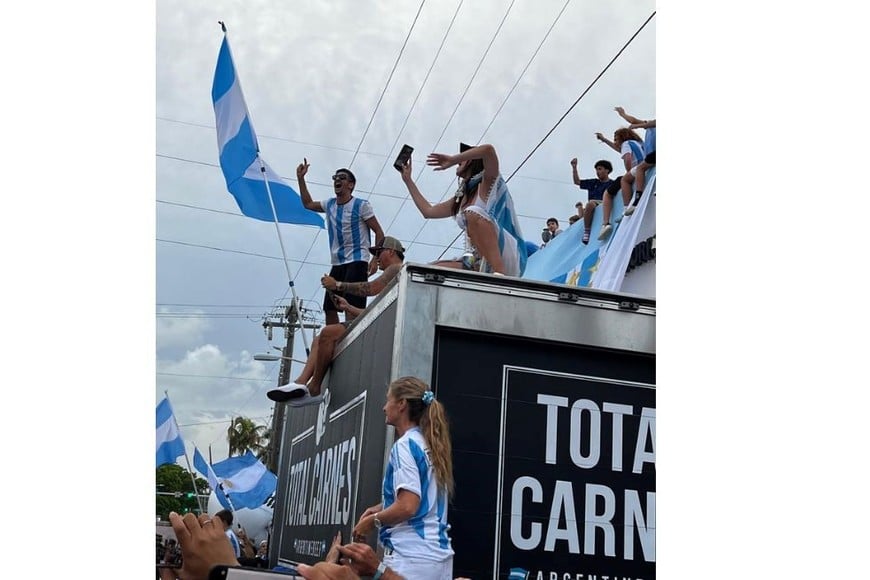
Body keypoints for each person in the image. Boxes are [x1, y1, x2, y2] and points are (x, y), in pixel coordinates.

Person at [267, 237, 406, 407]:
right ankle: (300, 382)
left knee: (327, 333)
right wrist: (348, 307)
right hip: (381, 320)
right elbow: (373, 311)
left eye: (378, 252)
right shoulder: (393, 275)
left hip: (386, 326)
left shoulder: (396, 269)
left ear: (391, 252)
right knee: (319, 339)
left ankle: (314, 388)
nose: (376, 257)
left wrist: (338, 284)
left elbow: (371, 288)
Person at [352, 377, 455, 580]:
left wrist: (372, 522)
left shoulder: (405, 445)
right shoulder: (430, 444)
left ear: (401, 405)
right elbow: (422, 497)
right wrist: (383, 507)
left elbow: (408, 506)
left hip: (410, 557)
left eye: (388, 400)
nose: (384, 407)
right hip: (438, 558)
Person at [400, 142, 526, 277]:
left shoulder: (488, 180)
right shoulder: (462, 197)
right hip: (478, 261)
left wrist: (452, 159)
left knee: (472, 213)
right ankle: (481, 274)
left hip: (507, 256)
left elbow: (488, 150)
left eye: (462, 158)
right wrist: (408, 180)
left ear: (471, 161)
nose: (458, 162)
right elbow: (428, 211)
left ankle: (499, 275)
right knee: (432, 270)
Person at [297, 160, 386, 325]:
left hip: (357, 261)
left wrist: (375, 259)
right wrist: (301, 179)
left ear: (351, 185)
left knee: (351, 305)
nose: (337, 180)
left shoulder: (361, 205)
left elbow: (379, 232)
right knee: (329, 307)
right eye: (335, 177)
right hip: (337, 263)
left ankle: (352, 339)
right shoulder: (330, 204)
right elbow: (308, 204)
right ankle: (335, 341)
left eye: (342, 178)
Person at [594, 128, 644, 240]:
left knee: (608, 193)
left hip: (635, 170)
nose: (615, 141)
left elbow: (627, 158)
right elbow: (618, 149)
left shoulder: (626, 144)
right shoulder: (638, 143)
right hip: (644, 167)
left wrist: (628, 172)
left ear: (623, 137)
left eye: (616, 139)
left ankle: (606, 223)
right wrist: (604, 140)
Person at [614, 106, 656, 216]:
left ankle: (636, 198)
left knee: (639, 169)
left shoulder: (652, 124)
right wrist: (623, 114)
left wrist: (639, 126)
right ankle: (629, 205)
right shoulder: (637, 142)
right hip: (651, 157)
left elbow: (648, 123)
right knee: (637, 171)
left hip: (654, 155)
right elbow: (633, 121)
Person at [570, 157, 614, 244]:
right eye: (596, 170)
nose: (597, 172)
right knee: (589, 205)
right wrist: (574, 168)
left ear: (607, 170)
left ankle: (588, 230)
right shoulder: (594, 182)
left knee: (590, 204)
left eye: (600, 169)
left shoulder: (612, 184)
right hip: (592, 206)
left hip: (605, 203)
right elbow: (577, 181)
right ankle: (586, 230)